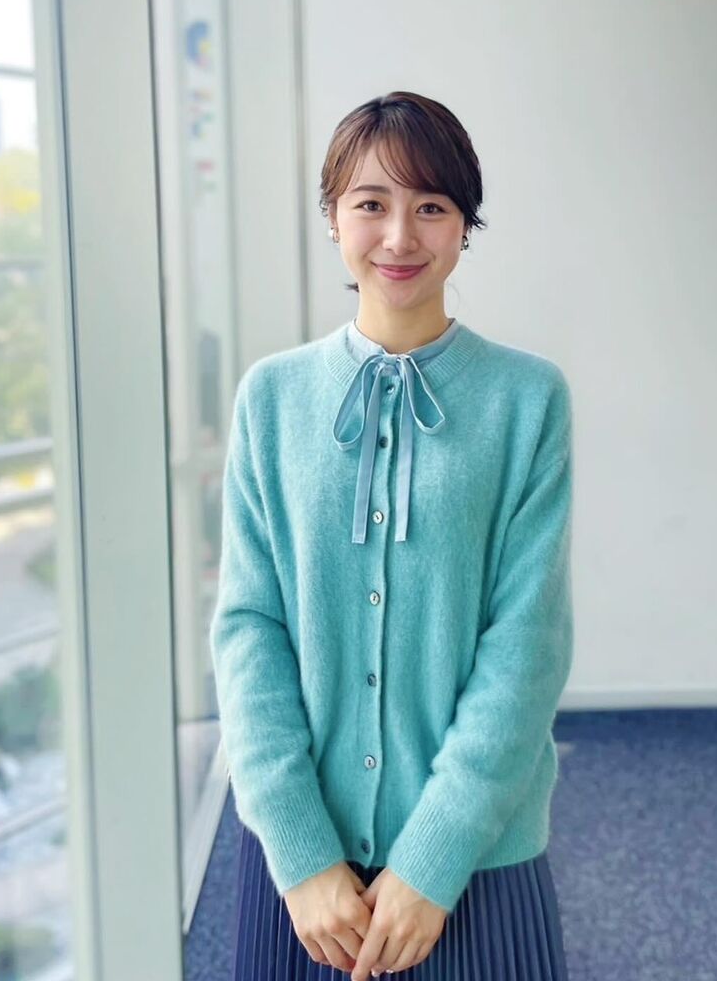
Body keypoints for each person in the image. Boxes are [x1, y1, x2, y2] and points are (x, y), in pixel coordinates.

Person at [210, 91, 574, 979]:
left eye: (432, 207)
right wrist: (301, 855)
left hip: (475, 864)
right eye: (371, 203)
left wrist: (431, 861)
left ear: (465, 227)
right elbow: (248, 630)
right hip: (306, 882)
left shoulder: (528, 400)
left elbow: (526, 646)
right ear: (333, 217)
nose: (400, 236)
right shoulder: (271, 398)